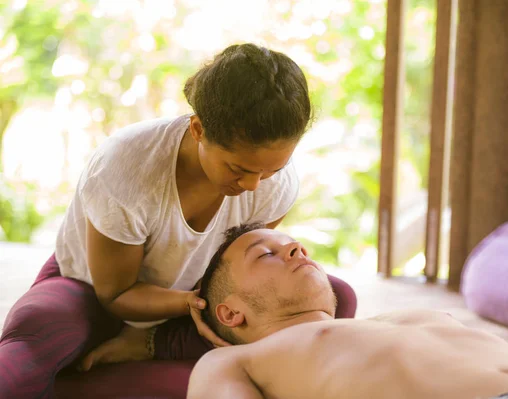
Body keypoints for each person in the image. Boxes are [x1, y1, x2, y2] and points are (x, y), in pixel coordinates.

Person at [0, 43, 356, 398]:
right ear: (198, 130)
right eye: (238, 169)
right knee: (40, 330)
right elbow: (117, 293)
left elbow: (235, 274)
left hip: (192, 300)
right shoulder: (125, 170)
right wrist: (190, 303)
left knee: (333, 299)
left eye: (271, 170)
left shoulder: (274, 184)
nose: (252, 186)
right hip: (94, 289)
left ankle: (150, 344)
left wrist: (191, 310)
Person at [177, 223, 508, 399]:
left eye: (295, 244)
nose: (295, 248)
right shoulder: (231, 359)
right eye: (265, 254)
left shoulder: (400, 319)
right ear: (230, 313)